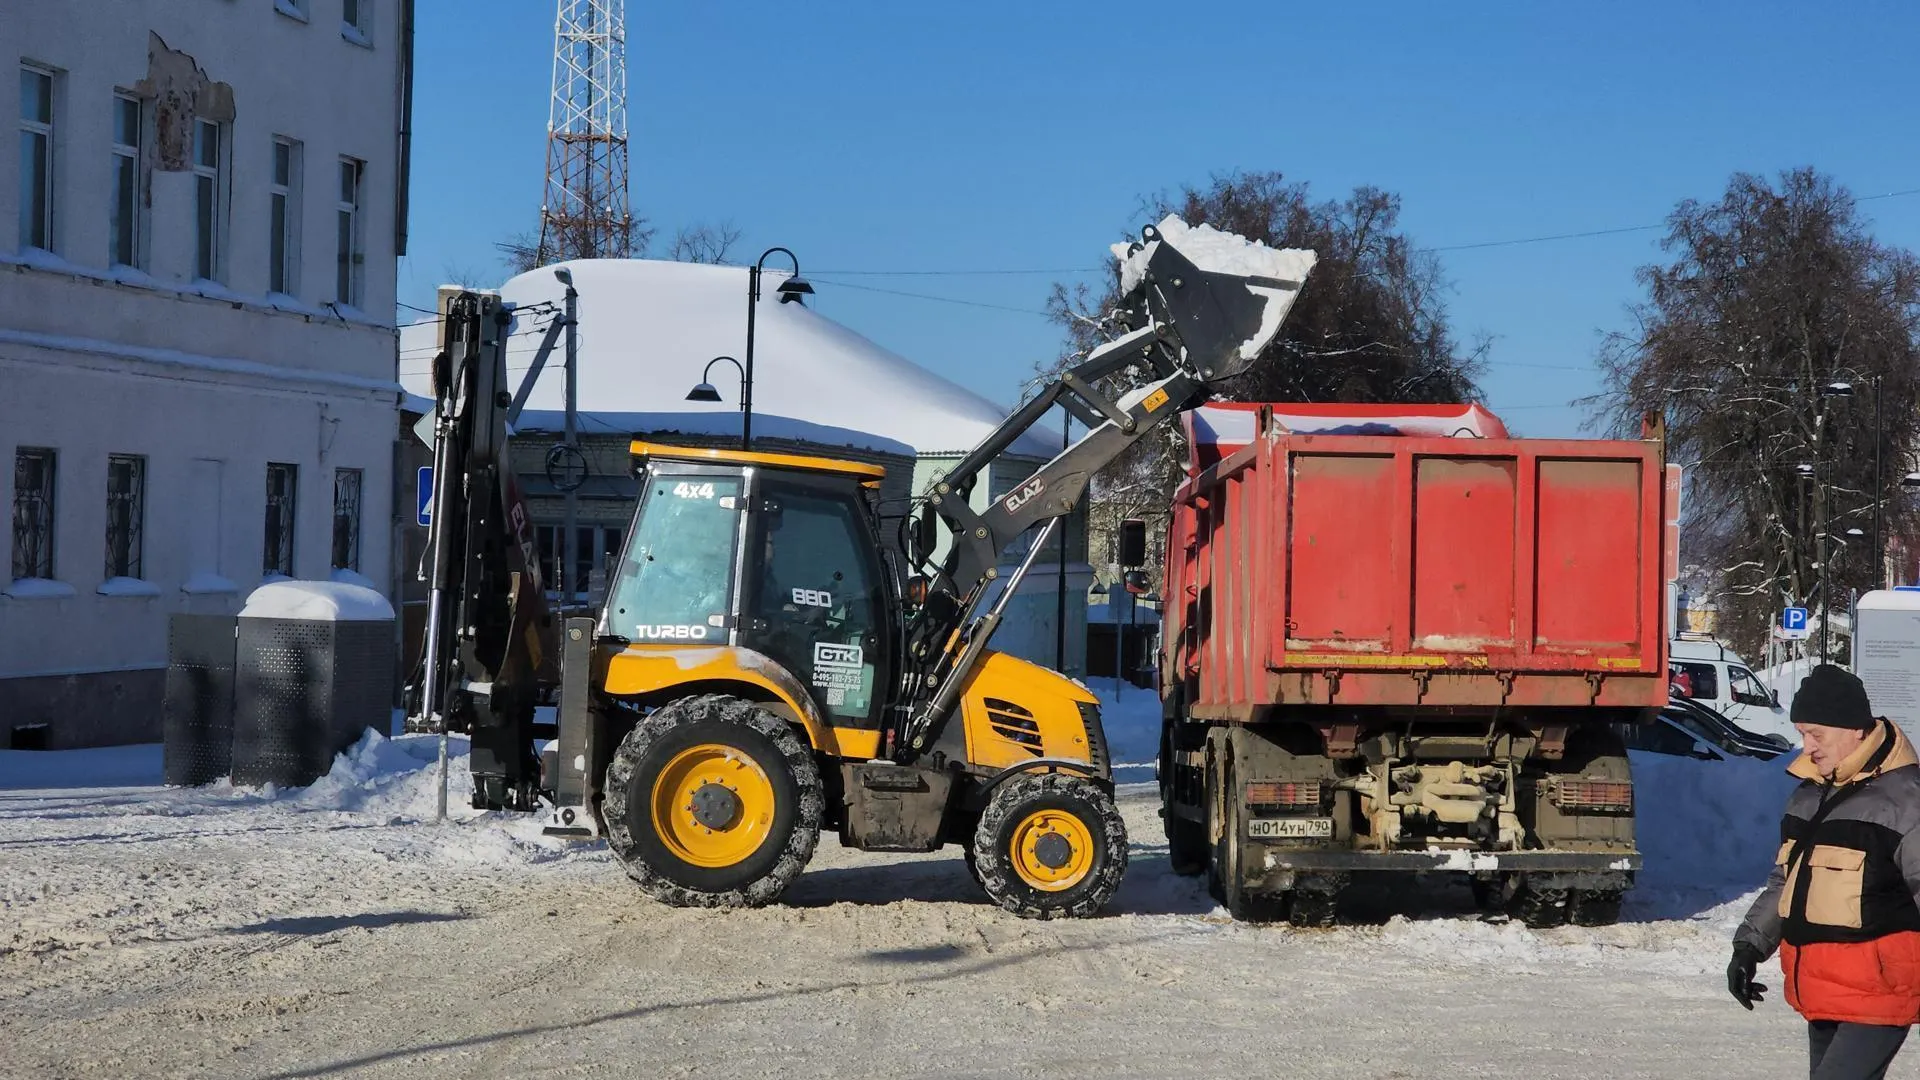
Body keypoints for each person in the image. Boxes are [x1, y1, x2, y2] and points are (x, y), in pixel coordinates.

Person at [1729, 664, 1920, 1080]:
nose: (1807, 746)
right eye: (1801, 734)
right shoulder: (1810, 794)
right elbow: (1785, 880)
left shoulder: (1906, 801)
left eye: (1816, 734)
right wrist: (1749, 947)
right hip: (1820, 987)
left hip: (1879, 992)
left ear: (1854, 729)